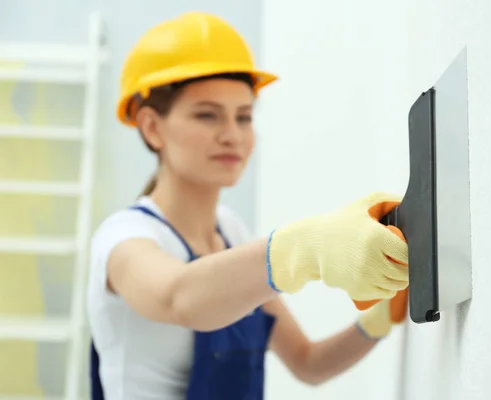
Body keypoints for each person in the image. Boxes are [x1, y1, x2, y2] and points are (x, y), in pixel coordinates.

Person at [86, 11, 410, 400]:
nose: (232, 136)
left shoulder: (232, 232)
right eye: (207, 115)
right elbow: (180, 297)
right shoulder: (125, 238)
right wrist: (307, 247)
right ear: (152, 127)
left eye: (244, 117)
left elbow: (308, 362)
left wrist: (376, 322)